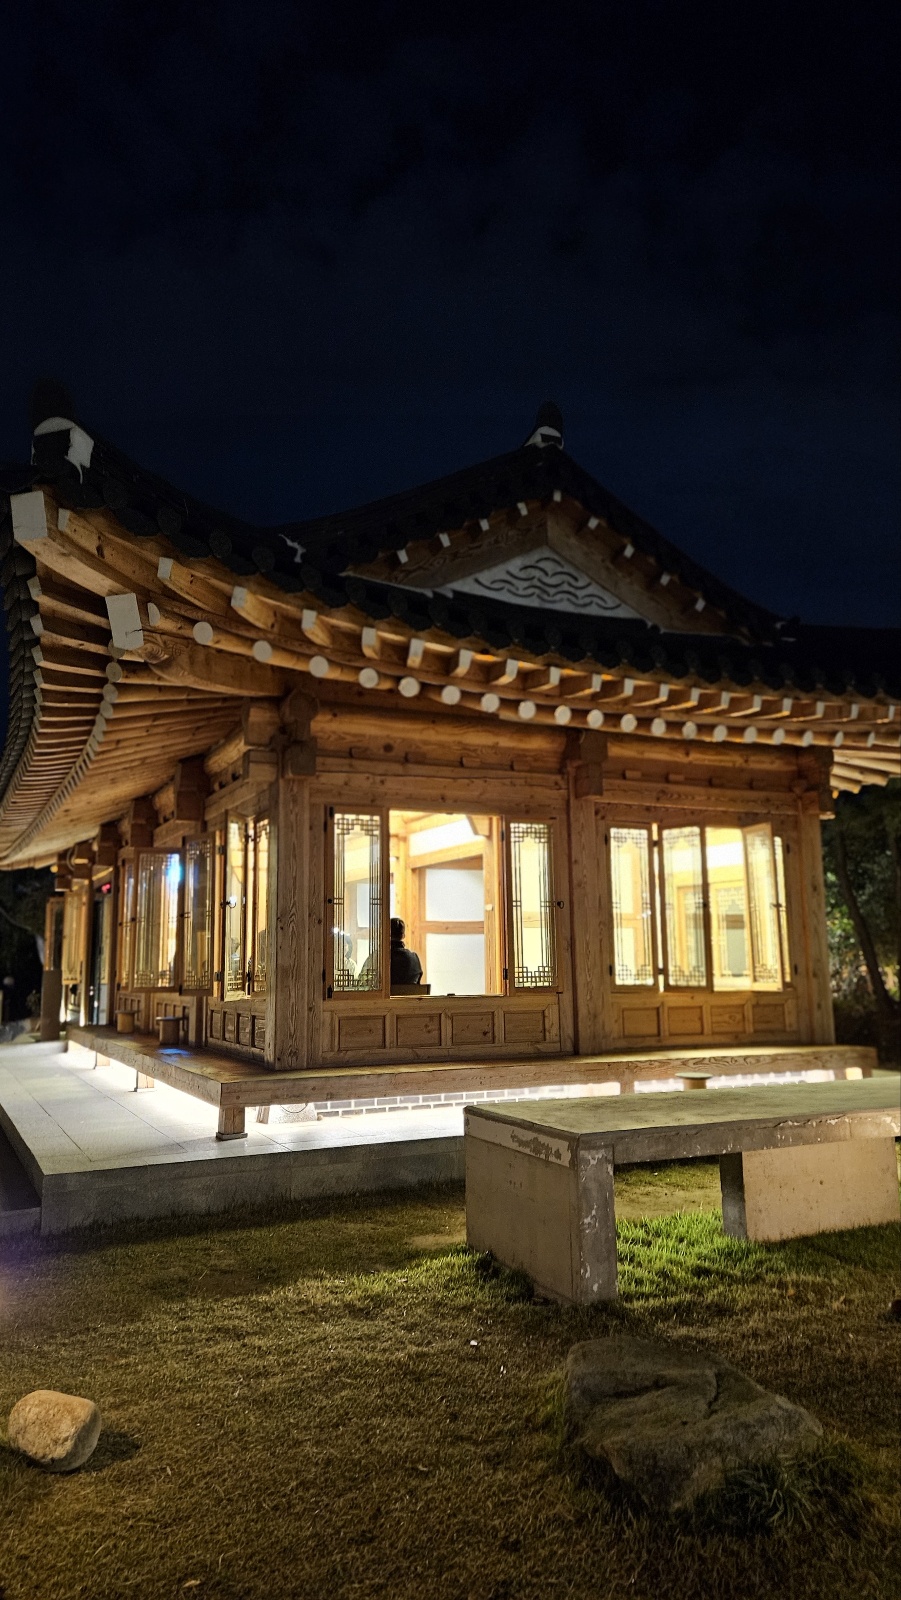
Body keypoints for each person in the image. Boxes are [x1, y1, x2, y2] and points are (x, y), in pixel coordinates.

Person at [389, 918, 423, 988]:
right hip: (410, 995)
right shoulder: (414, 958)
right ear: (403, 936)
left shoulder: (379, 958)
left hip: (384, 995)